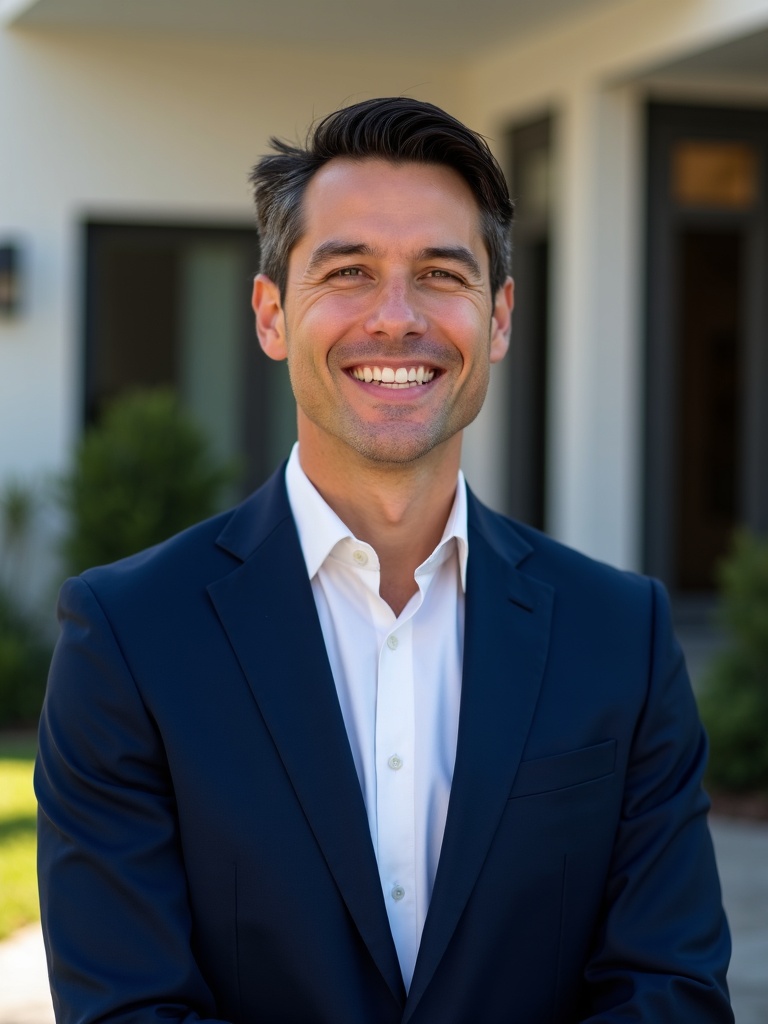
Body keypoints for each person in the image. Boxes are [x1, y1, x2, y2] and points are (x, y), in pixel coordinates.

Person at [36, 96, 733, 1024]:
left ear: (499, 319)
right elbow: (128, 1009)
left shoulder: (621, 636)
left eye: (441, 273)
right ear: (272, 315)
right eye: (350, 271)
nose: (397, 319)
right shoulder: (129, 638)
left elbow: (671, 991)